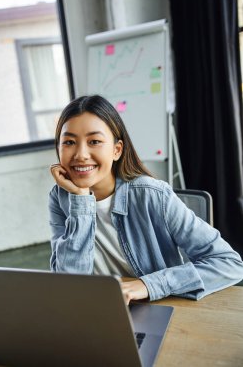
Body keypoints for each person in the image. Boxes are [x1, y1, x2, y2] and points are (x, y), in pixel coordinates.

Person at [49, 95, 243, 304]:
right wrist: (81, 201)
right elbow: (68, 282)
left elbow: (229, 263)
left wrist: (148, 285)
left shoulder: (153, 195)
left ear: (117, 150)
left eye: (94, 141)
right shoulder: (61, 197)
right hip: (96, 310)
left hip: (156, 307)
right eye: (69, 142)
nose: (81, 154)